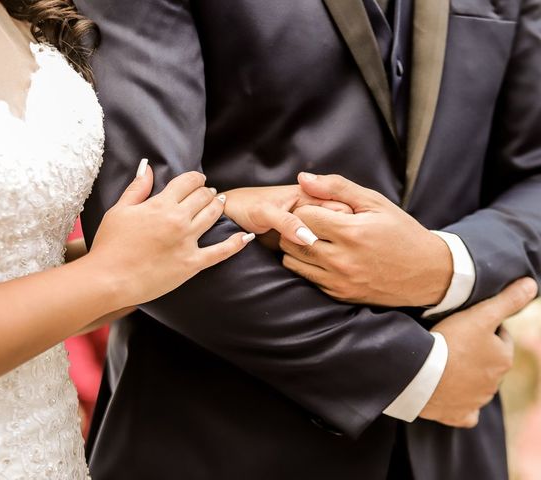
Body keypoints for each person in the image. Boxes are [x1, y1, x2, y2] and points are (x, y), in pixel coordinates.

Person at [77, 0, 541, 478]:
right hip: (215, 437)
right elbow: (141, 219)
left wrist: (445, 265)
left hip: (457, 445)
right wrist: (413, 372)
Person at [0, 1, 254, 477]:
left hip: (50, 454)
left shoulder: (27, 8)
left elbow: (18, 277)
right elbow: (105, 279)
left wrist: (216, 213)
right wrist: (109, 274)